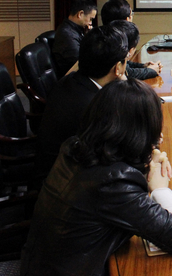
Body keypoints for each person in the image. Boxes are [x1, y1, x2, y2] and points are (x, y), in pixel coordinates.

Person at [22, 79, 172, 276]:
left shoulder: (74, 147)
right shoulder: (113, 184)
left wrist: (147, 157)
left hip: (39, 272)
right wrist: (161, 190)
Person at [37, 24, 129, 175]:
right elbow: (114, 155)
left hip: (55, 167)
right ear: (118, 67)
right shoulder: (95, 108)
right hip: (65, 179)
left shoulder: (71, 80)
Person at [101, 0, 162, 77]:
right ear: (126, 20)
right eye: (131, 14)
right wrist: (151, 71)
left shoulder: (104, 36)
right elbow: (127, 73)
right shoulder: (115, 42)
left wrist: (143, 66)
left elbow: (125, 64)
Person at [52, 0, 97, 76]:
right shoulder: (67, 34)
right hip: (73, 79)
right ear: (80, 14)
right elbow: (82, 64)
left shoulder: (72, 30)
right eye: (90, 19)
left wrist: (87, 37)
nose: (90, 23)